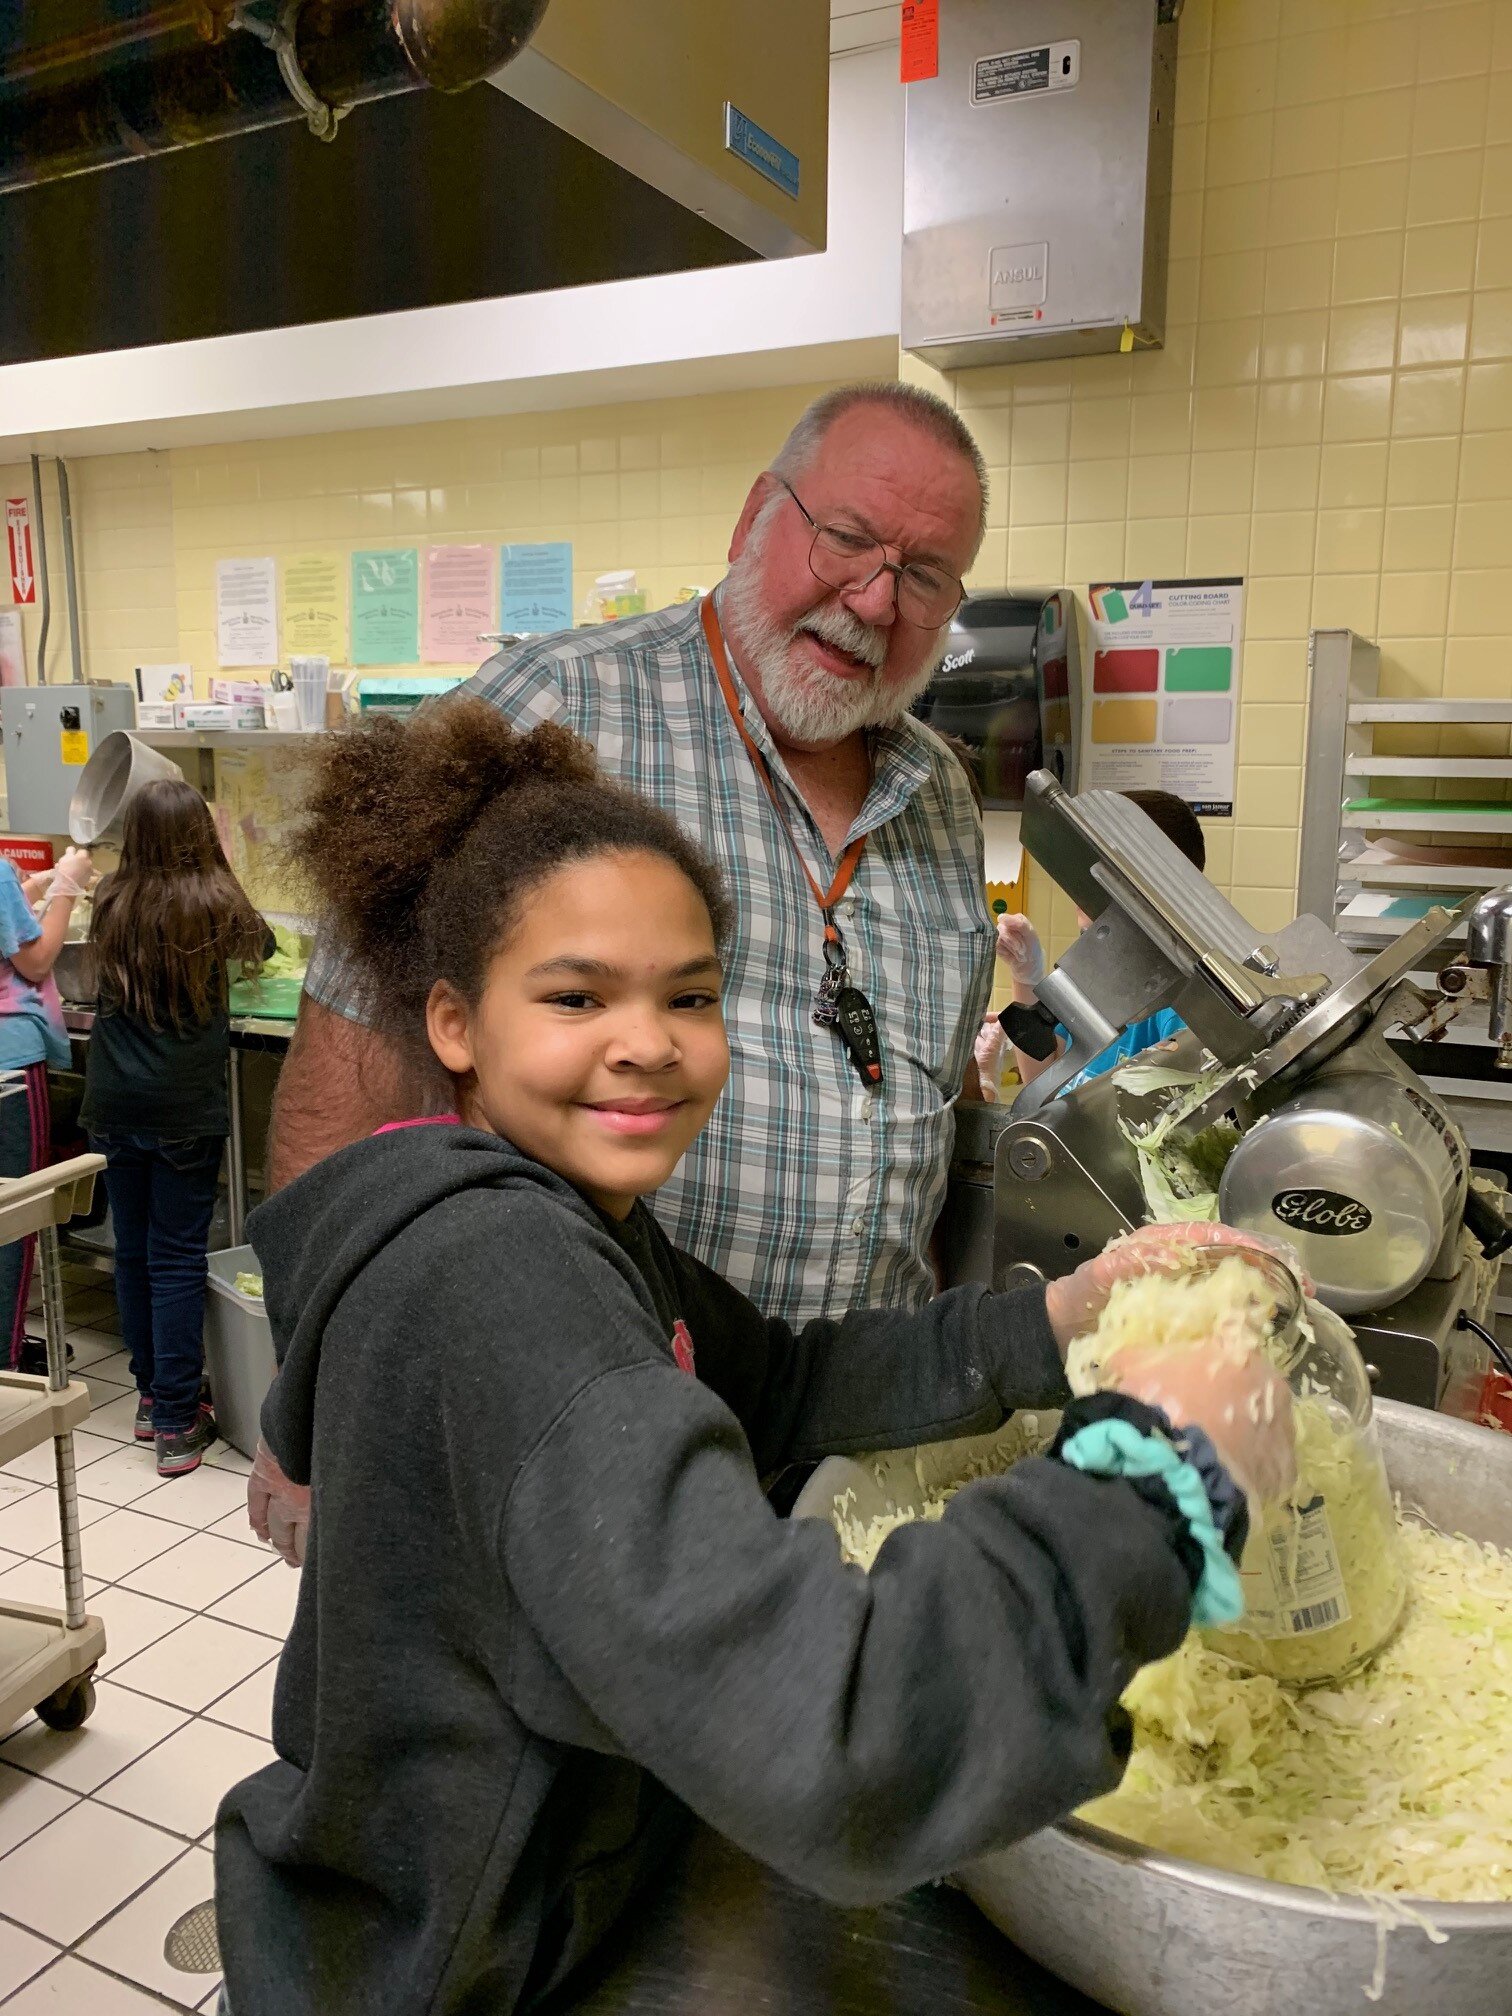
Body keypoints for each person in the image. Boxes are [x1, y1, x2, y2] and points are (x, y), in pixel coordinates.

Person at [214, 703, 1292, 2016]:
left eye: (691, 996)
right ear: (455, 1024)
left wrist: (1058, 1322)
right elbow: (835, 1740)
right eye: (575, 996)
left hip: (558, 1879)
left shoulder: (576, 1223)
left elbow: (776, 1381)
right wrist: (1166, 1472)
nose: (648, 1043)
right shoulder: (500, 1280)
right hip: (451, 1969)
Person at [269, 381, 996, 1328]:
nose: (873, 598)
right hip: (566, 1415)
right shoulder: (549, 709)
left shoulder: (941, 796)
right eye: (846, 538)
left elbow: (940, 1093)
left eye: (926, 575)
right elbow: (345, 1094)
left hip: (856, 1418)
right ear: (754, 518)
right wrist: (312, 1408)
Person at [80, 780, 272, 1477]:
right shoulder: (214, 901)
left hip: (114, 1101)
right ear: (202, 838)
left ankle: (148, 1396)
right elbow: (266, 942)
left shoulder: (109, 897)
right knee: (176, 1257)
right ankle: (176, 1419)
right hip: (182, 1109)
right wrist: (223, 867)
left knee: (133, 1251)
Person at [985, 789, 1206, 1099]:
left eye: (1099, 870)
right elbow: (1043, 1078)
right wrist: (1026, 977)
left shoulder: (1177, 1002)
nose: (1078, 887)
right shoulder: (1096, 962)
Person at [0, 847, 92, 1368]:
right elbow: (34, 959)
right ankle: (5, 1359)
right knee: (15, 1213)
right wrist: (67, 888)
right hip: (9, 1062)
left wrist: (37, 884)